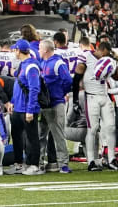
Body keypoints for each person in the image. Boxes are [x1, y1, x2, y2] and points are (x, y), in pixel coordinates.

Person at [79, 40, 118, 171]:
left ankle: (112, 159)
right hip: (91, 96)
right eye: (104, 54)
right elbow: (77, 76)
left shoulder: (108, 59)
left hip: (104, 95)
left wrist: (114, 63)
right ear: (100, 50)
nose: (104, 57)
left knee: (111, 127)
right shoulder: (86, 57)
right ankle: (91, 161)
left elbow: (117, 77)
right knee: (92, 129)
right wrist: (75, 97)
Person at [38, 39, 72, 174]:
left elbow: (68, 80)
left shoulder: (58, 63)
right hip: (45, 104)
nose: (39, 50)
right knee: (41, 134)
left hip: (55, 104)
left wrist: (60, 94)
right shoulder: (43, 63)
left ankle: (63, 163)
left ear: (46, 50)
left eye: (40, 48)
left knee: (58, 134)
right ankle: (39, 162)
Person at [12, 39, 44, 176]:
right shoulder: (24, 64)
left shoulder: (31, 66)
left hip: (26, 108)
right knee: (17, 136)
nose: (14, 51)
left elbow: (34, 89)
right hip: (18, 107)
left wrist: (30, 110)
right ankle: (20, 163)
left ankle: (34, 164)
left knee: (32, 137)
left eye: (15, 49)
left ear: (19, 50)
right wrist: (13, 102)